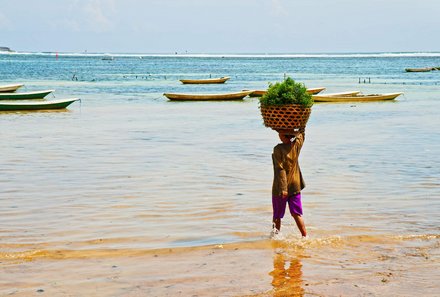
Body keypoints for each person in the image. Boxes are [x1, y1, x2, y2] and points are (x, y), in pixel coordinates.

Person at [271, 129, 307, 237]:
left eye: (280, 133)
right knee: (296, 213)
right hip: (295, 186)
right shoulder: (296, 145)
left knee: (277, 215)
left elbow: (280, 169)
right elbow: (302, 134)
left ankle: (275, 237)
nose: (278, 134)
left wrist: (283, 188)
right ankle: (305, 236)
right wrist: (300, 125)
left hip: (280, 188)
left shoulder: (278, 149)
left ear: (285, 136)